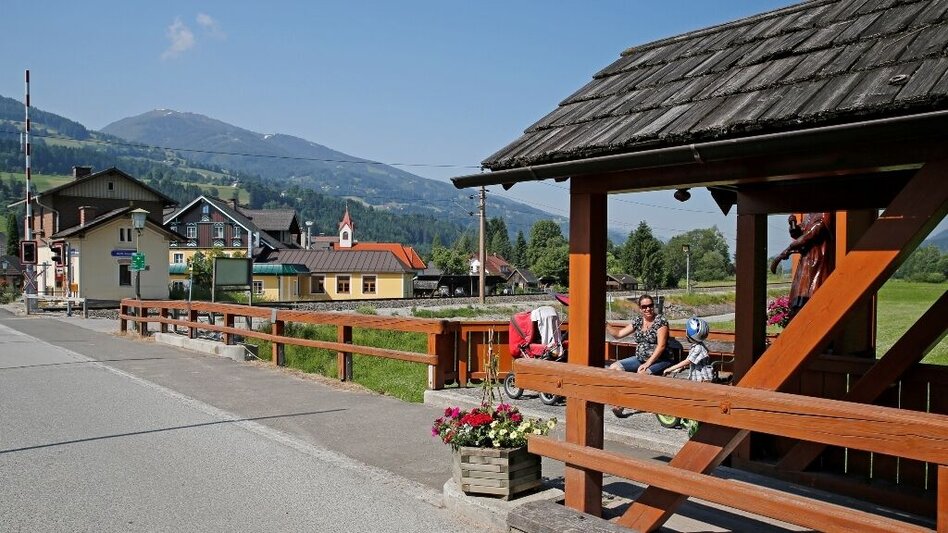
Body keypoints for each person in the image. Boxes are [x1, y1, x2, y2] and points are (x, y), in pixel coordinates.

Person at [607, 294, 673, 416]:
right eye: (644, 307)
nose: (648, 309)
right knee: (614, 368)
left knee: (641, 373)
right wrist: (605, 323)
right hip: (640, 359)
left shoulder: (660, 321)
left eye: (650, 306)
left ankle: (624, 403)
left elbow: (661, 346)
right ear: (640, 308)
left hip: (661, 360)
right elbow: (618, 334)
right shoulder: (638, 321)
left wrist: (647, 364)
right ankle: (617, 400)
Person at [770, 212, 833, 318]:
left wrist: (788, 249)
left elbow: (810, 234)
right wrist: (793, 226)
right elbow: (801, 233)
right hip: (806, 259)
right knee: (800, 292)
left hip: (816, 259)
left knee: (812, 290)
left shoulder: (824, 214)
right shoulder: (810, 215)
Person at [663, 317, 714, 382]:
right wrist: (680, 368)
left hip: (702, 378)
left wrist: (670, 369)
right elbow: (692, 361)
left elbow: (688, 361)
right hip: (697, 376)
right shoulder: (697, 346)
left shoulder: (698, 348)